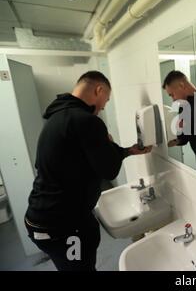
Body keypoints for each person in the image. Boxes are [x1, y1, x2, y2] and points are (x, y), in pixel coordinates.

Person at [24, 71, 152, 271]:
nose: (103, 107)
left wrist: (127, 150)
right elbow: (109, 170)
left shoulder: (59, 116)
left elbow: (87, 158)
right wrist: (109, 145)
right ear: (98, 90)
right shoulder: (87, 121)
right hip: (61, 225)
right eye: (106, 101)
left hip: (44, 216)